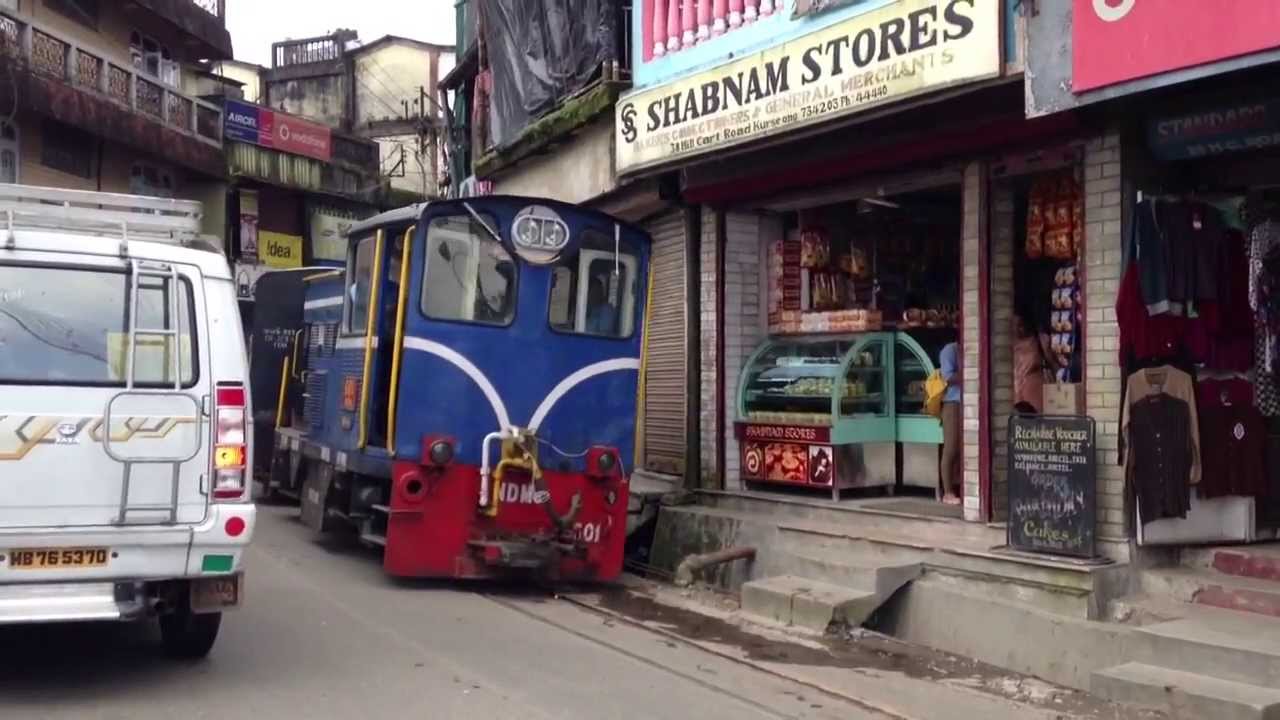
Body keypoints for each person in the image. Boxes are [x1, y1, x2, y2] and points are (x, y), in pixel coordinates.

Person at [939, 338, 962, 505]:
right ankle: (947, 491)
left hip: (967, 402)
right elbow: (947, 377)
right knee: (951, 447)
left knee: (963, 448)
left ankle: (959, 486)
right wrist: (969, 372)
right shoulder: (950, 350)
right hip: (952, 403)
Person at [1012, 312, 1046, 414]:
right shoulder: (1009, 344)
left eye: (1021, 325)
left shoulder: (1037, 341)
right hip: (1017, 387)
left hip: (1033, 384)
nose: (1018, 329)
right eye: (1014, 325)